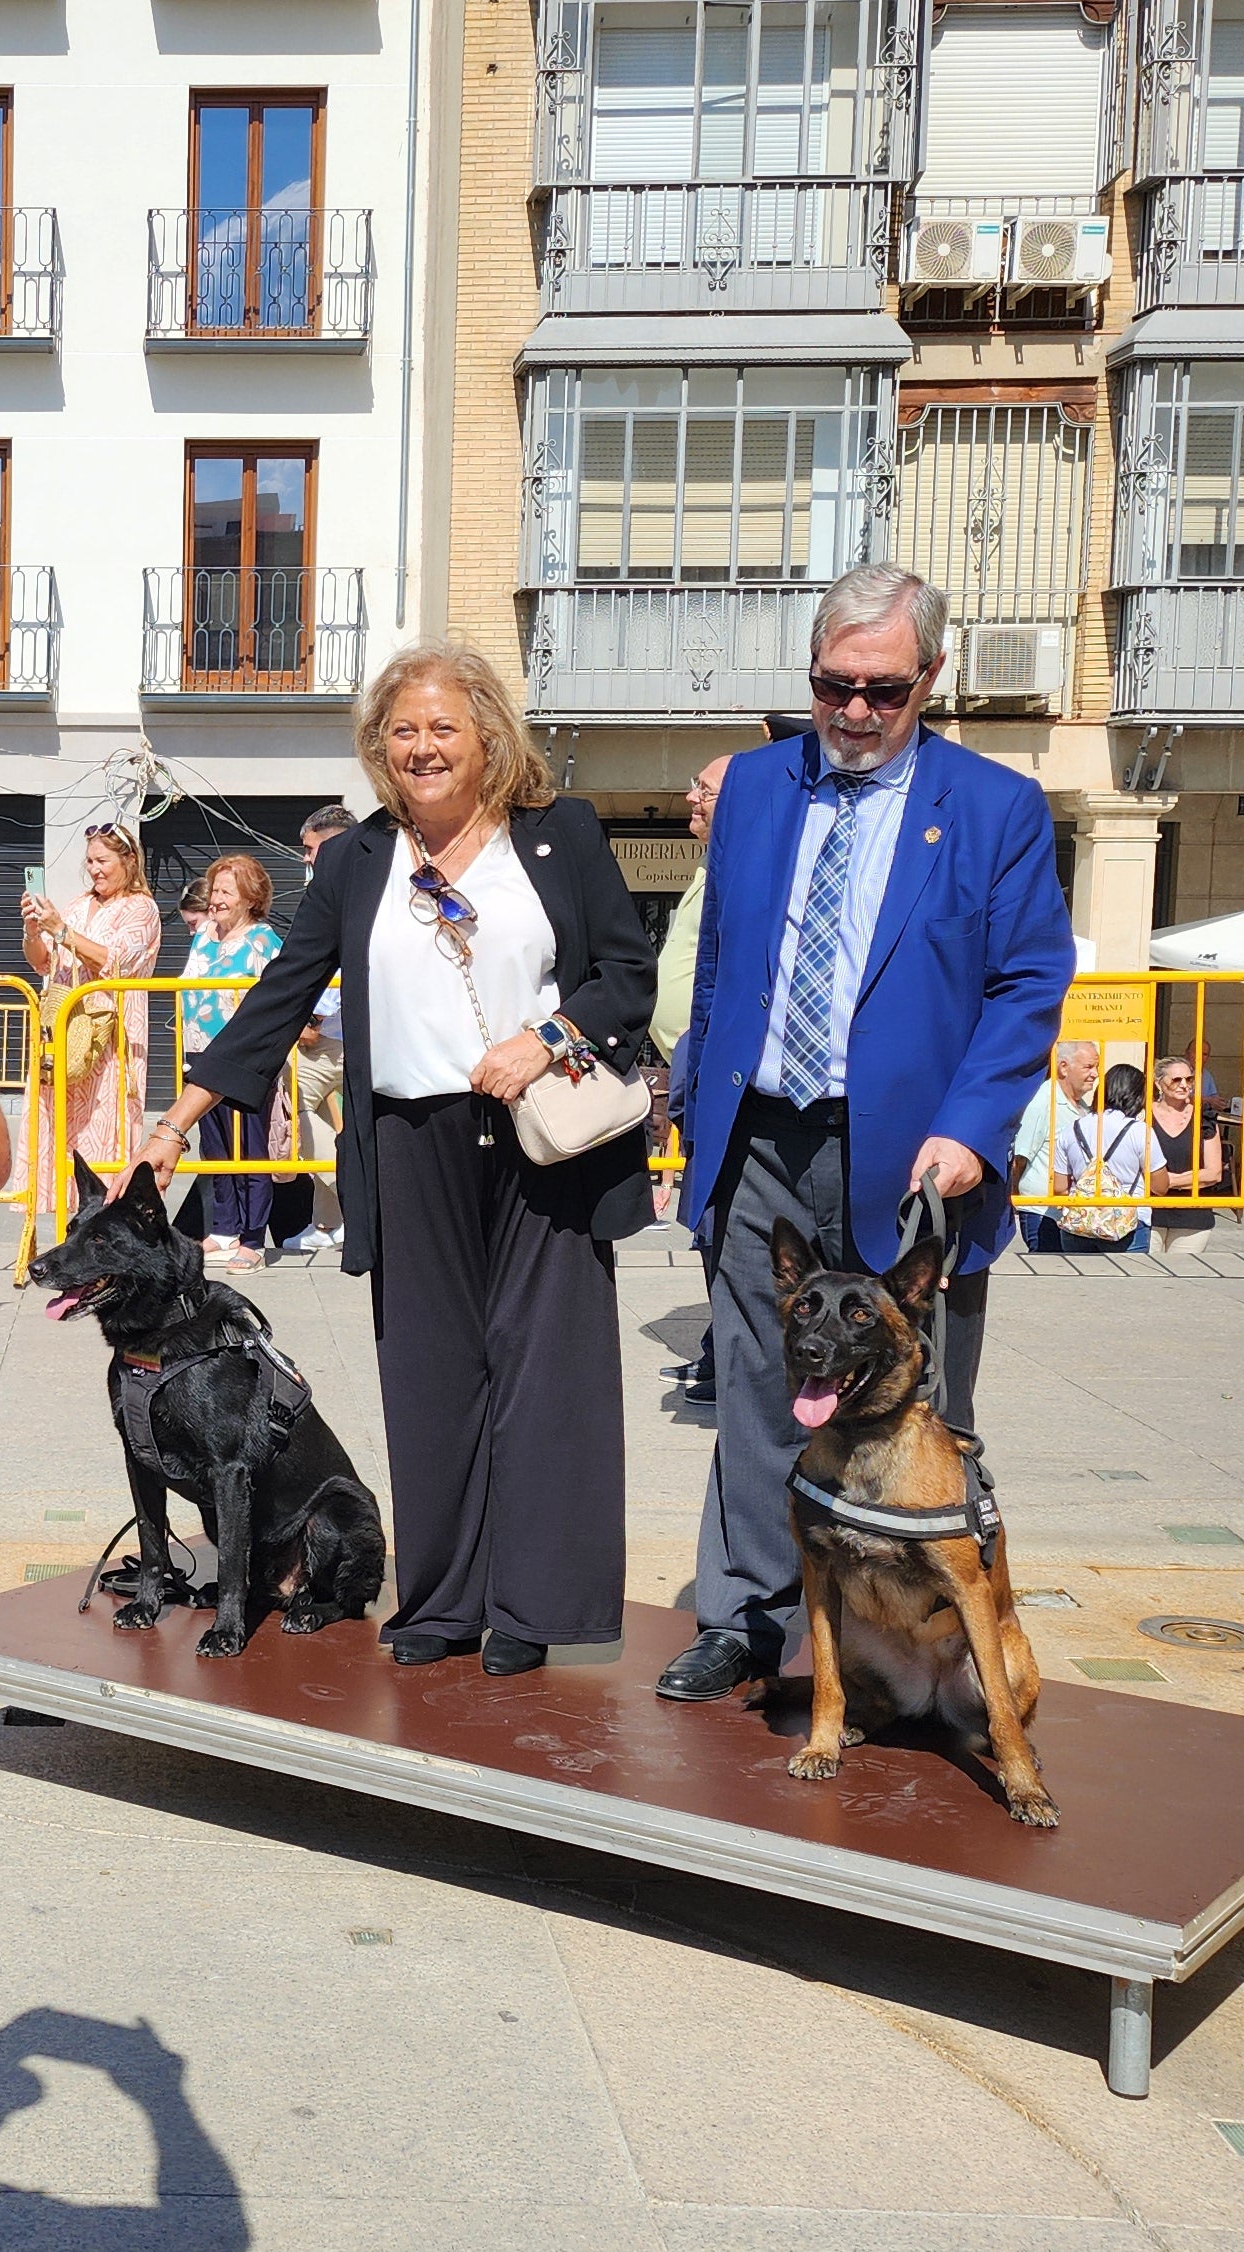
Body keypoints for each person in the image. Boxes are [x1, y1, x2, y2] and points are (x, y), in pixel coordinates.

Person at [138, 642, 657, 1675]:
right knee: (431, 1377)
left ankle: (529, 1604)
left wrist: (543, 1038)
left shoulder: (557, 836)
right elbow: (280, 995)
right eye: (401, 730)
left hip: (536, 1134)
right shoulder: (358, 859)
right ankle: (442, 1598)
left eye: (441, 727)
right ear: (380, 748)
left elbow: (626, 974)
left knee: (542, 1376)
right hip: (406, 1140)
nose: (421, 747)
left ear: (488, 738)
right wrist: (174, 1121)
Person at [653, 565, 1072, 1705]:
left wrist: (973, 1125)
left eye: (882, 691)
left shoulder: (994, 808)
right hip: (760, 1140)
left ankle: (923, 1648)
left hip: (916, 1157)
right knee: (750, 1383)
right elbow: (720, 952)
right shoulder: (749, 788)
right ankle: (744, 1617)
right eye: (833, 685)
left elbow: (1030, 978)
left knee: (914, 1410)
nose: (853, 712)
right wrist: (696, 1093)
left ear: (930, 678)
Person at [21, 823, 162, 1195]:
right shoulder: (78, 905)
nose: (95, 869)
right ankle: (60, 1212)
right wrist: (34, 931)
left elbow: (119, 961)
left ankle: (107, 1213)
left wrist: (63, 931)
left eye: (103, 860)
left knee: (105, 1124)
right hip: (66, 1029)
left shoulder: (141, 909)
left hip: (110, 1033)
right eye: (90, 861)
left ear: (128, 861)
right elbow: (42, 962)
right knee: (56, 1121)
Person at [657, 753, 734, 1398]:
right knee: (710, 1219)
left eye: (703, 790)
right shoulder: (709, 866)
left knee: (722, 1222)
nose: (690, 798)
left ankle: (727, 1359)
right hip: (693, 1064)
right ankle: (718, 1348)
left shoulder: (738, 867)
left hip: (713, 1066)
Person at [178, 853, 286, 1271]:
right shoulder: (203, 933)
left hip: (243, 1060)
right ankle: (224, 1227)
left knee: (250, 1147)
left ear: (249, 898)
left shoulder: (264, 941)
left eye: (226, 891)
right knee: (216, 1145)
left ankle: (254, 1237)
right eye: (216, 890)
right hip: (200, 1054)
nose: (217, 899)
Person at [274, 803, 355, 1255]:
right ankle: (329, 1222)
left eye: (310, 849)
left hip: (340, 1042)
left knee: (292, 1118)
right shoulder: (328, 888)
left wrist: (312, 1016)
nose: (305, 858)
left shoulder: (360, 886)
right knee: (297, 1119)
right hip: (324, 1042)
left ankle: (346, 1202)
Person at [1050, 1062, 1162, 1254]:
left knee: (1079, 1282)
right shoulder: (1139, 1131)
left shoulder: (1072, 1129)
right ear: (1137, 1095)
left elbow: (1059, 1187)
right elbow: (1159, 1187)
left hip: (1080, 1222)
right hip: (1129, 1222)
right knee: (1128, 1282)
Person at [1011, 1040, 1101, 1254]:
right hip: (1043, 1210)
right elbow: (1020, 1157)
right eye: (1088, 1067)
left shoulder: (1082, 1107)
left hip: (1073, 1212)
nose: (1095, 1074)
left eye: (1096, 1067)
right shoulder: (1042, 1102)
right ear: (1063, 1067)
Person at [1147, 1055, 1225, 1244]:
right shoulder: (1143, 1115)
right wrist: (1192, 1179)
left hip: (1192, 1215)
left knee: (1184, 1272)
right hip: (1148, 1213)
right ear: (1159, 1084)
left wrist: (1165, 1182)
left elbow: (1214, 1174)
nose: (1184, 1085)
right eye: (1176, 1079)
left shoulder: (1203, 1117)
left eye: (1189, 1079)